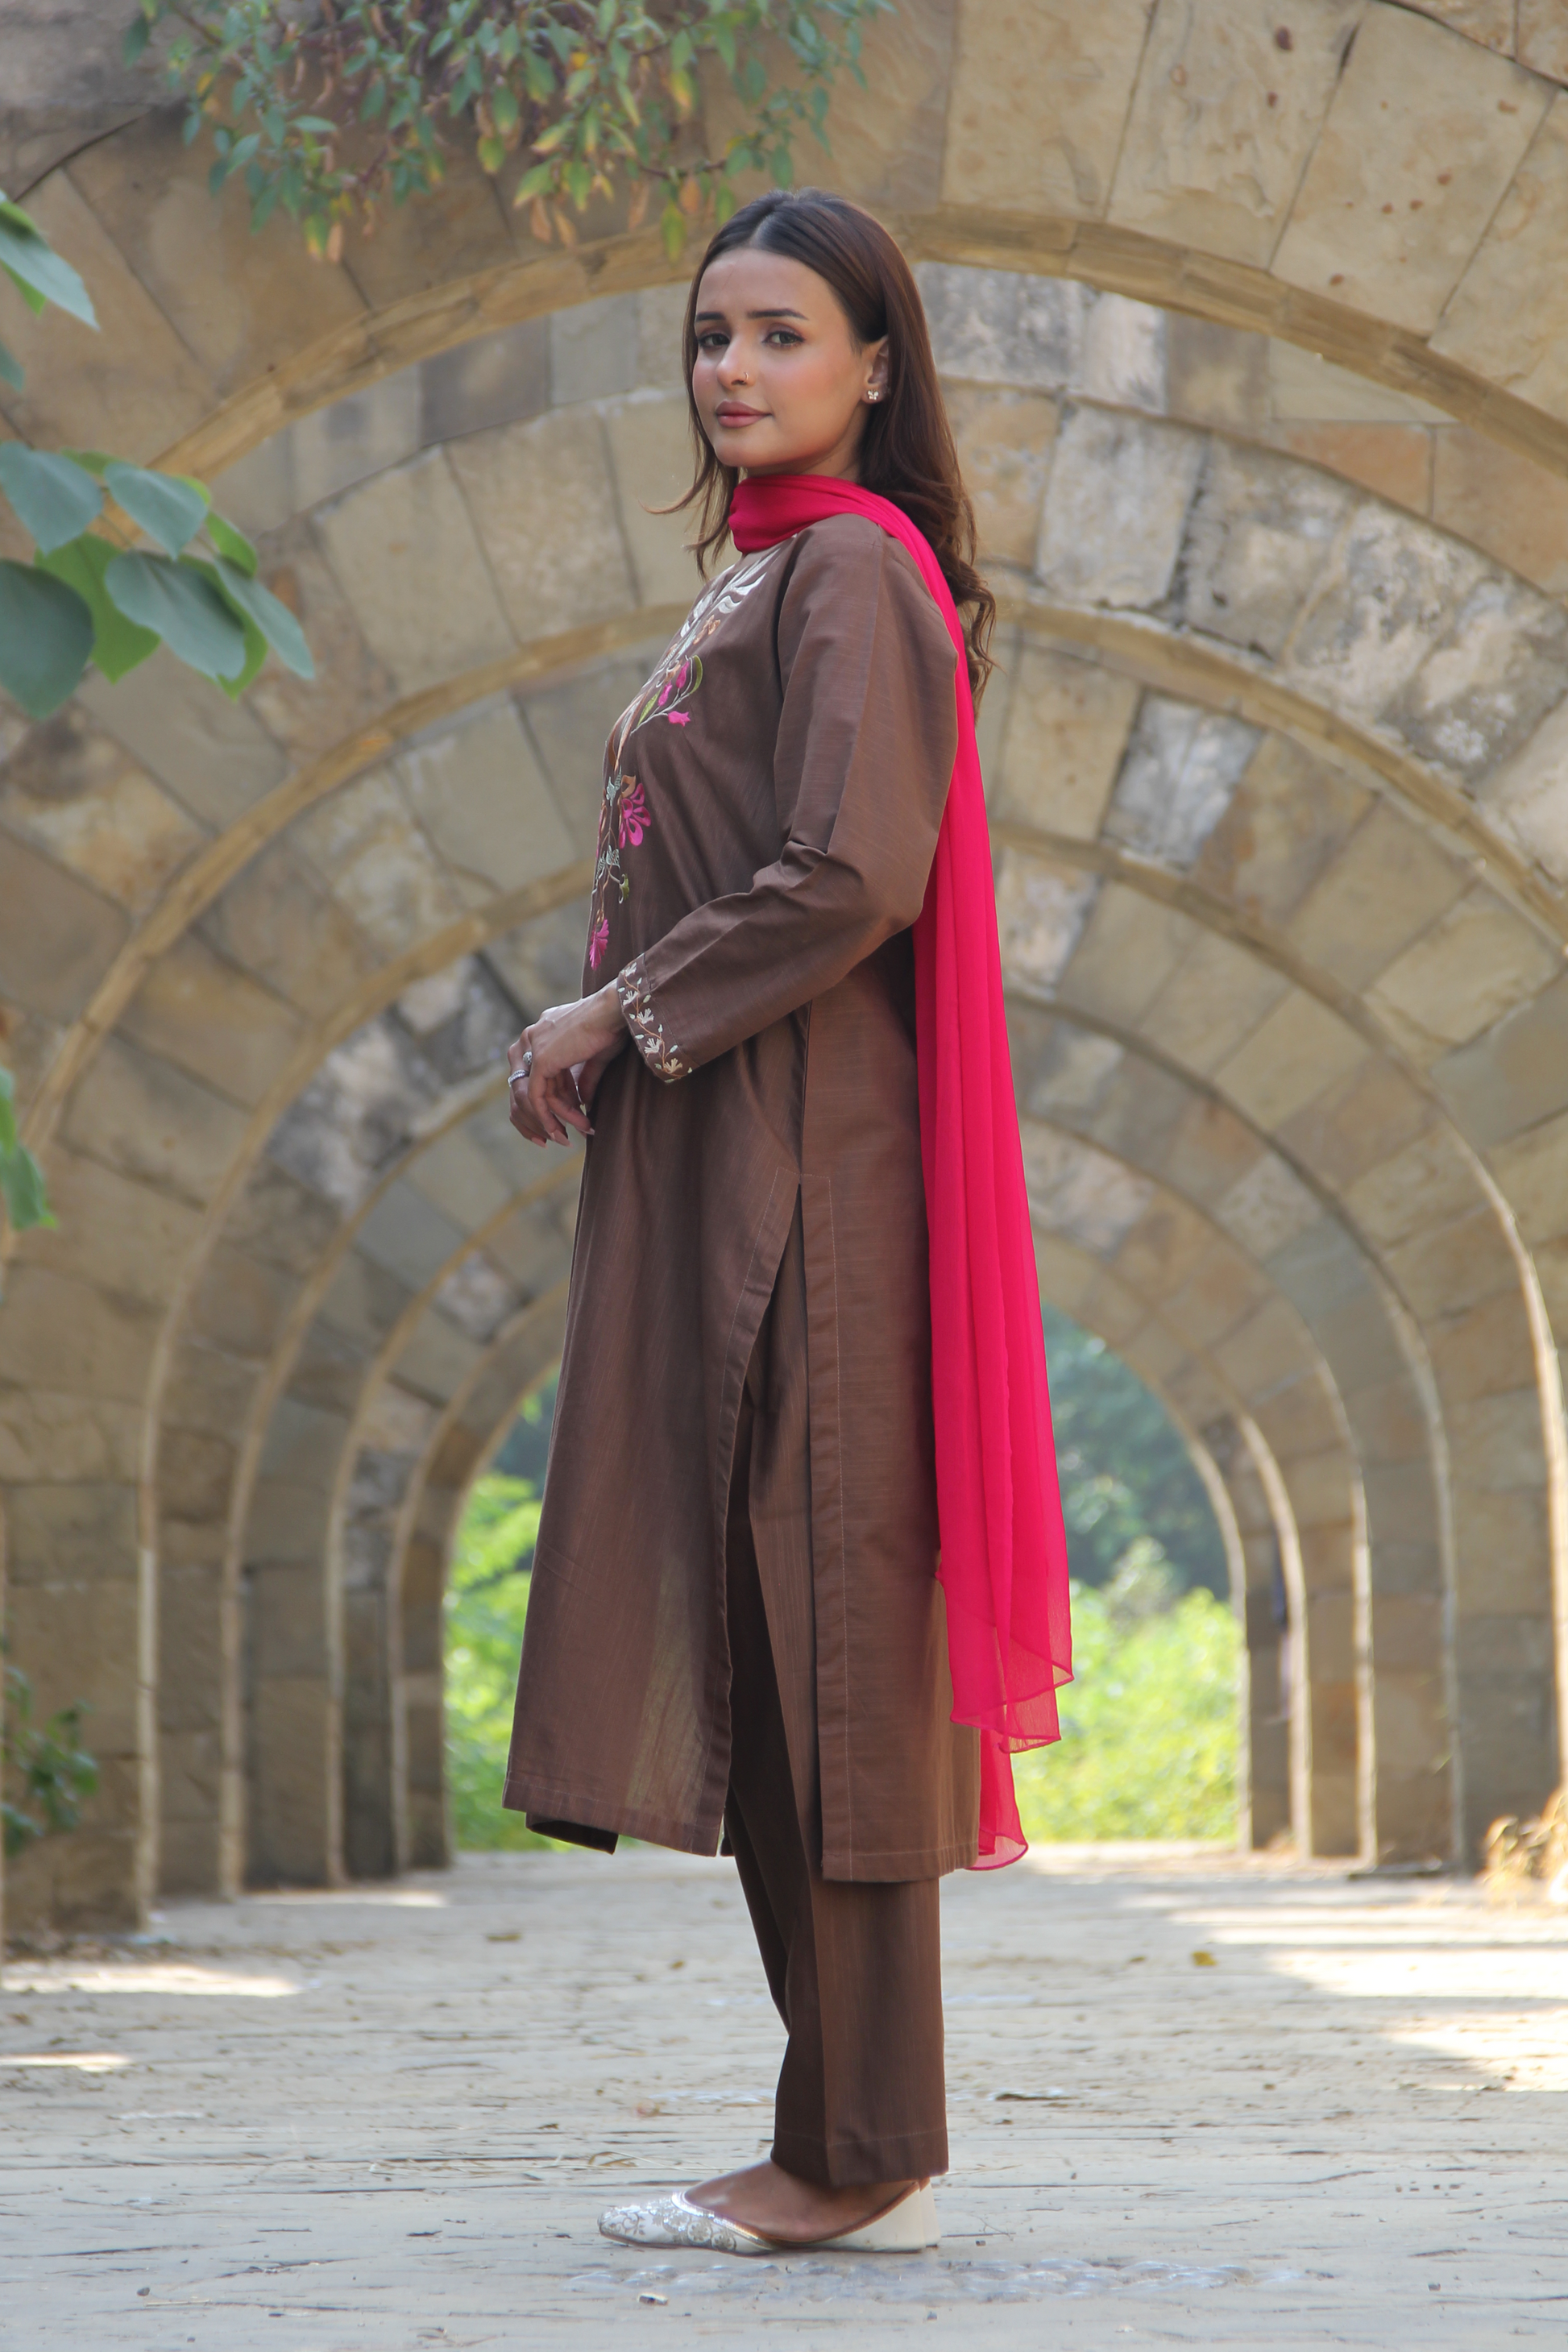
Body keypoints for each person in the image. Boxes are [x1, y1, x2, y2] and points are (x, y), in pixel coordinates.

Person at [501, 187, 1071, 2258]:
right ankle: (831, 2125)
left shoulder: (850, 573)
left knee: (828, 1643)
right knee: (757, 1634)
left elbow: (850, 873)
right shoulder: (754, 580)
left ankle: (853, 2144)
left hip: (809, 1172)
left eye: (779, 333)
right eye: (708, 335)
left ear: (873, 364)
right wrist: (630, 1031)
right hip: (724, 1138)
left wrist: (615, 1007)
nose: (731, 368)